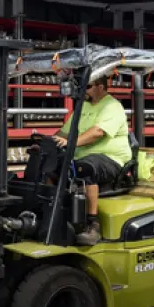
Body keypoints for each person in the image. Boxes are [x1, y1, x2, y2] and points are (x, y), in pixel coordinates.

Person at [53, 76, 132, 245]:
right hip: (83, 156)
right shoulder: (83, 107)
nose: (84, 91)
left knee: (85, 168)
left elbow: (98, 132)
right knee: (50, 164)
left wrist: (70, 143)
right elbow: (65, 132)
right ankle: (52, 214)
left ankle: (92, 223)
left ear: (101, 87)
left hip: (112, 160)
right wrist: (48, 143)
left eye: (87, 87)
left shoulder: (112, 106)